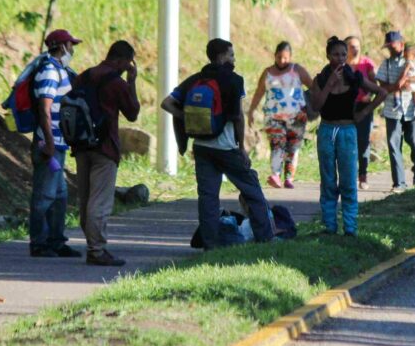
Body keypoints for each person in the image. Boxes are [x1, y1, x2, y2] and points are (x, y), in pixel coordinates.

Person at [161, 38, 276, 250]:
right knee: (252, 189)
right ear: (222, 57)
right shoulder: (234, 80)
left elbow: (166, 103)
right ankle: (266, 238)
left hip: (202, 147)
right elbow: (238, 117)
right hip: (226, 148)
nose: (234, 59)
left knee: (207, 197)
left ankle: (210, 245)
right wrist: (241, 147)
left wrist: (185, 116)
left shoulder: (195, 79)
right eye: (231, 55)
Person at [71, 40, 141, 267]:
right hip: (105, 148)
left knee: (86, 199)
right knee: (99, 201)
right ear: (121, 60)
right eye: (127, 63)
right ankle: (97, 250)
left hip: (81, 145)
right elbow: (132, 112)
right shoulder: (117, 83)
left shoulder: (83, 76)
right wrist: (132, 82)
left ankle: (93, 245)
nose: (127, 67)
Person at [309, 36, 387, 236]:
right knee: (328, 179)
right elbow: (315, 106)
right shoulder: (320, 79)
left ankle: (350, 227)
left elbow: (381, 93)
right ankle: (329, 225)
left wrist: (364, 111)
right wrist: (330, 84)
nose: (340, 58)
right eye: (336, 54)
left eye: (343, 54)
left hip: (347, 131)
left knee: (348, 180)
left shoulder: (355, 77)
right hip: (327, 130)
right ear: (328, 56)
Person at [29, 29, 82, 258]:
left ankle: (56, 241)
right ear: (61, 46)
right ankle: (39, 243)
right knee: (45, 195)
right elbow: (44, 108)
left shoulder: (61, 70)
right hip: (48, 143)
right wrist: (49, 142)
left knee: (59, 195)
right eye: (71, 45)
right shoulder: (50, 71)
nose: (72, 50)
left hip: (59, 143)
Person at [247, 41, 314, 189]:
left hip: (296, 116)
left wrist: (319, 104)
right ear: (274, 56)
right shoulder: (268, 72)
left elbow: (313, 86)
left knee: (293, 147)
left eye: (285, 58)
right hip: (273, 116)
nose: (282, 61)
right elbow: (259, 92)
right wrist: (252, 110)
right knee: (277, 145)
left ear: (290, 57)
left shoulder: (298, 71)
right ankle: (275, 175)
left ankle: (289, 177)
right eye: (279, 57)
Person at [376, 31, 415, 192]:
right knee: (394, 144)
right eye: (389, 47)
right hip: (393, 110)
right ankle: (399, 183)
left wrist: (410, 80)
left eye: (394, 46)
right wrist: (396, 86)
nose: (391, 50)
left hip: (414, 110)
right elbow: (382, 86)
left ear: (401, 44)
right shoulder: (386, 64)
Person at [345, 35, 378, 190]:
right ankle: (348, 176)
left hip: (363, 107)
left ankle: (363, 175)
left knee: (363, 141)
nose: (355, 48)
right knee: (346, 141)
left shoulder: (367, 64)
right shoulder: (342, 65)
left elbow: (375, 85)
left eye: (357, 45)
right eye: (351, 46)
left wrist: (369, 95)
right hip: (345, 107)